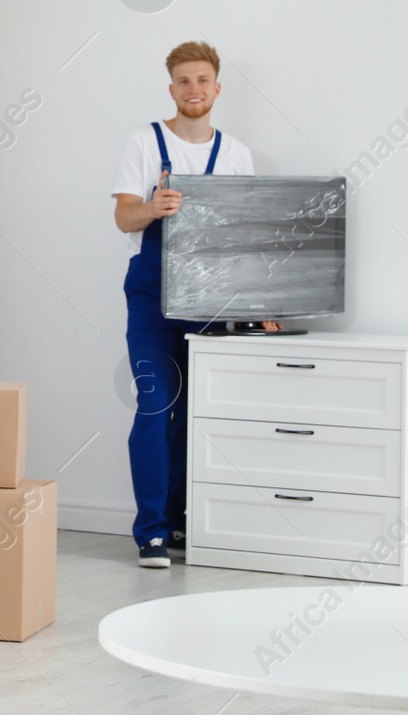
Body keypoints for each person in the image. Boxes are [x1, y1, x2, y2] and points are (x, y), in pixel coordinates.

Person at [110, 40, 267, 568]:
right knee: (156, 405)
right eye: (183, 81)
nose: (193, 89)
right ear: (171, 88)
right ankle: (150, 532)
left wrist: (260, 305)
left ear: (217, 88)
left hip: (214, 297)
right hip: (152, 295)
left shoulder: (238, 154)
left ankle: (179, 522)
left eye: (202, 80)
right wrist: (153, 207)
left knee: (196, 412)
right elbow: (123, 218)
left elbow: (246, 238)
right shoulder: (144, 142)